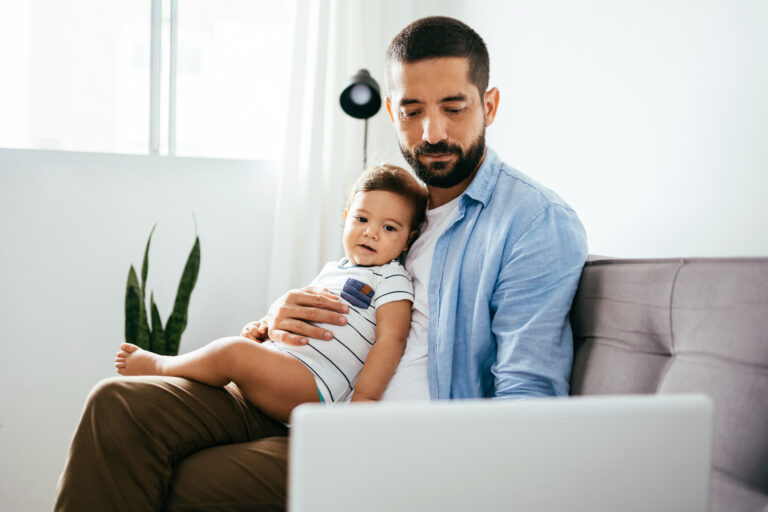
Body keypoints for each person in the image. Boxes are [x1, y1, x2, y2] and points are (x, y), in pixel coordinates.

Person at [55, 15, 587, 511]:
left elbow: (527, 405)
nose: (432, 133)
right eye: (413, 111)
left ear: (489, 106)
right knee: (117, 405)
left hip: (387, 448)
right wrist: (281, 314)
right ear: (391, 111)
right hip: (301, 396)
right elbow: (350, 298)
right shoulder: (397, 206)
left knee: (192, 480)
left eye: (454, 108)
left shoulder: (533, 222)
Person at [113, 164, 427, 419]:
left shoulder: (392, 278)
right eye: (361, 219)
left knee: (231, 353)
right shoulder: (333, 268)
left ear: (408, 238)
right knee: (240, 353)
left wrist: (365, 399)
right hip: (288, 367)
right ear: (346, 219)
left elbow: (391, 340)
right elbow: (298, 316)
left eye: (389, 228)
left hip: (314, 386)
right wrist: (264, 328)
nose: (371, 231)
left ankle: (162, 366)